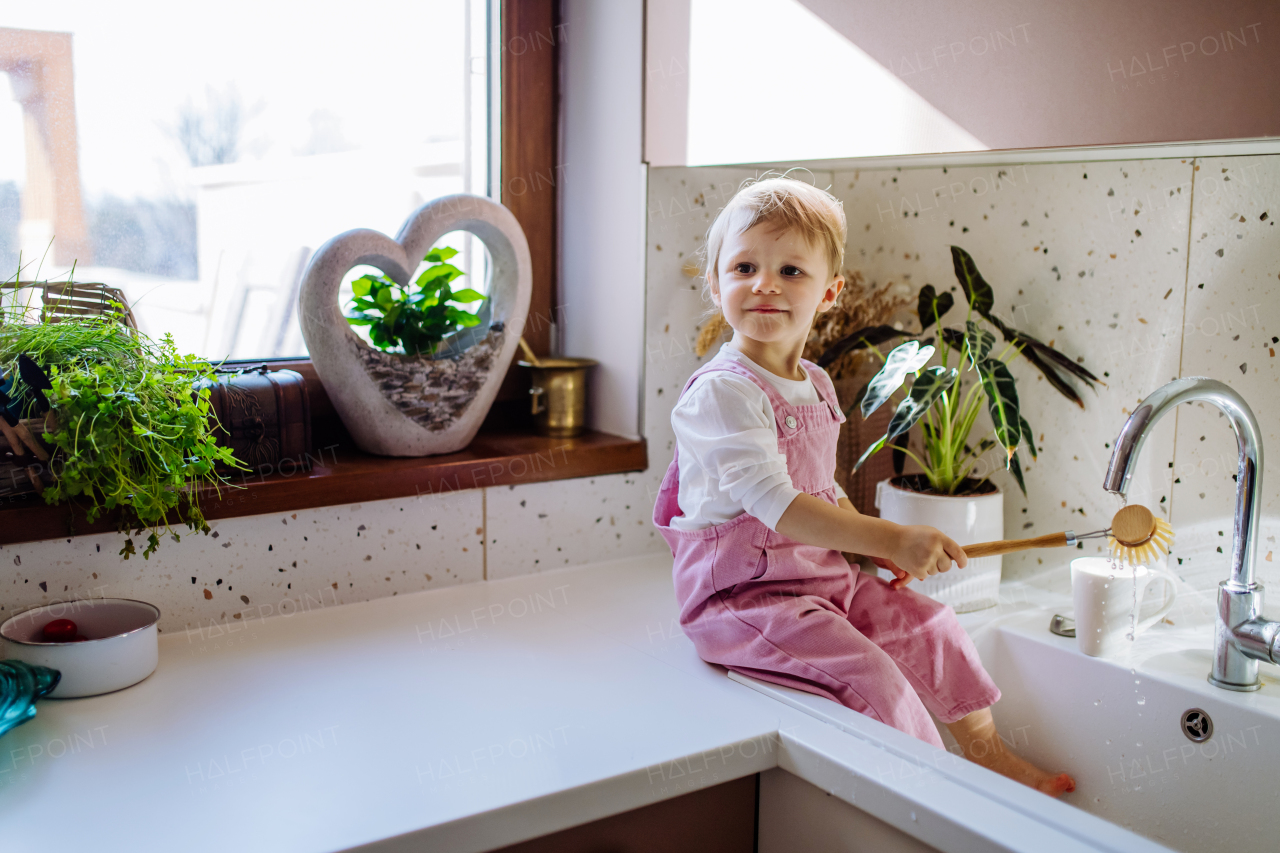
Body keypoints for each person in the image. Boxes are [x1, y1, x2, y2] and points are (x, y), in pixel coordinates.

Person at [652, 175, 1074, 797]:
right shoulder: (724, 393)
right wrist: (892, 535)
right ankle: (940, 801)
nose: (764, 284)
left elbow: (822, 489)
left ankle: (988, 756)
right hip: (745, 603)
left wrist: (870, 548)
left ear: (830, 293)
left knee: (931, 626)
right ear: (716, 284)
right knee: (877, 682)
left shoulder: (816, 382)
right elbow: (780, 506)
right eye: (744, 266)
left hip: (823, 583)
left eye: (791, 270)